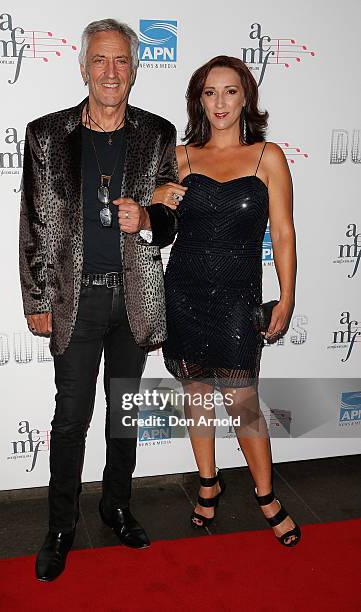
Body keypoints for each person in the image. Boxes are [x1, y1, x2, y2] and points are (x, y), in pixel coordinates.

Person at [19, 18, 177, 581]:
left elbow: (171, 219)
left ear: (135, 70)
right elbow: (34, 225)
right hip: (75, 301)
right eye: (100, 61)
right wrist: (37, 298)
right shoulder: (45, 135)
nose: (111, 72)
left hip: (133, 299)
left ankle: (116, 507)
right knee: (70, 419)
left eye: (122, 62)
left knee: (124, 416)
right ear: (83, 68)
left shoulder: (158, 134)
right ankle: (61, 527)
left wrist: (150, 219)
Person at [152, 56, 301, 547]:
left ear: (246, 98)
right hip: (184, 291)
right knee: (196, 395)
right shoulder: (179, 157)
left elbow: (282, 233)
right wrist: (157, 196)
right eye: (210, 92)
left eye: (230, 91)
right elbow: (152, 224)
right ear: (199, 99)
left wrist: (288, 296)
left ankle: (265, 495)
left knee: (243, 402)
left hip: (239, 297)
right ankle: (208, 485)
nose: (220, 102)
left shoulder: (267, 156)